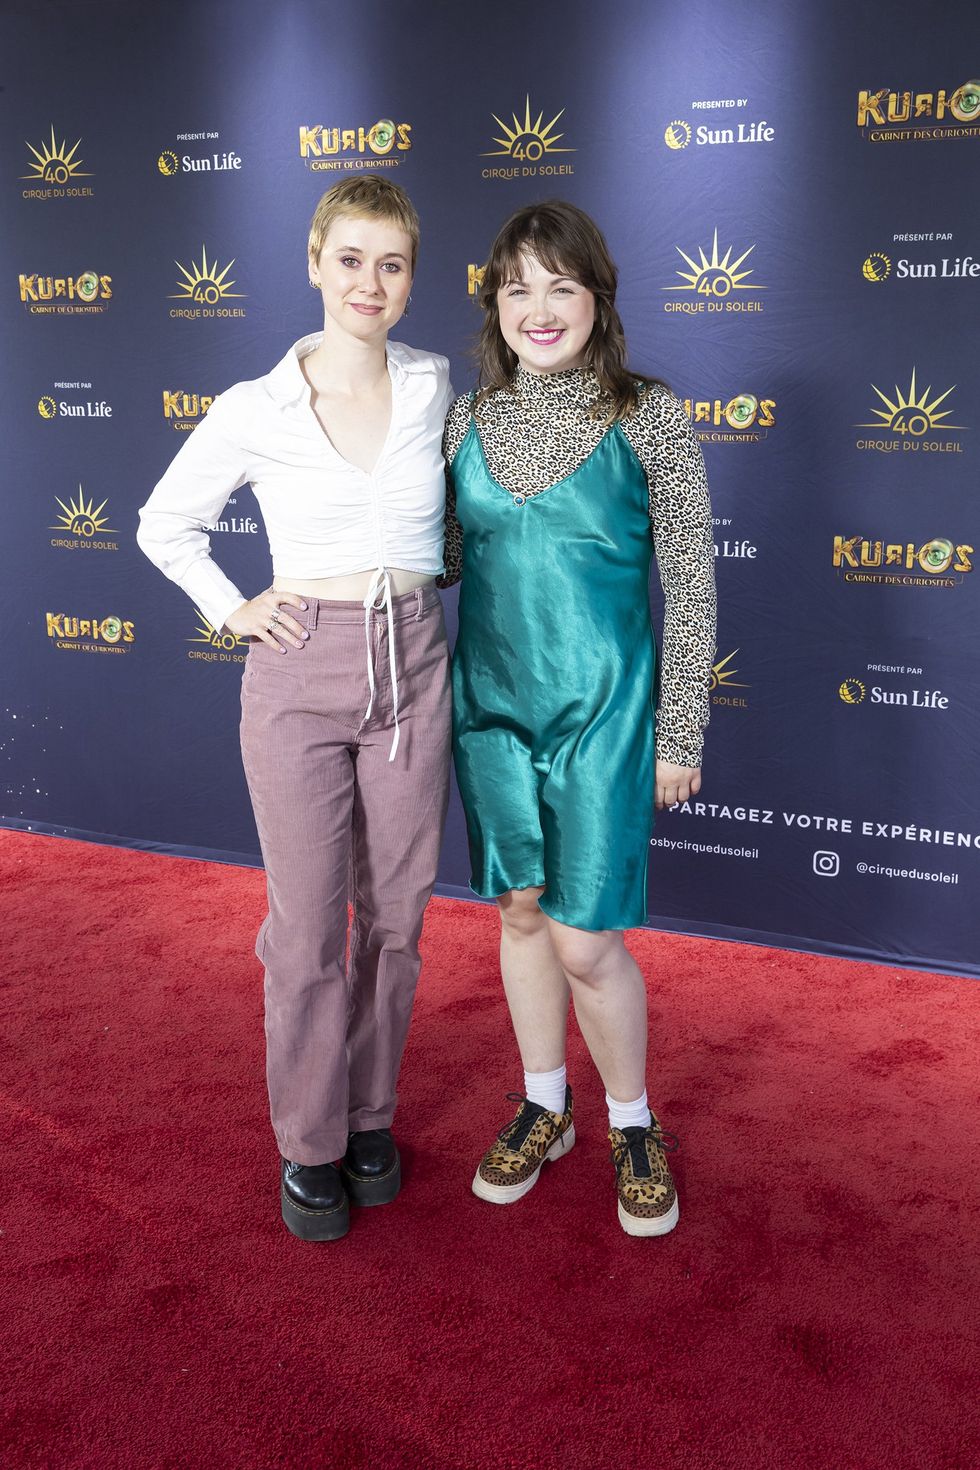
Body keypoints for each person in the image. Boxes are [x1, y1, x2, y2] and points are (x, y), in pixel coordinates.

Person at [138, 175, 453, 1242]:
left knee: (397, 918)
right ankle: (310, 1139)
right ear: (314, 263)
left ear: (411, 279)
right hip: (298, 671)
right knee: (309, 925)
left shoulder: (432, 385)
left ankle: (370, 1116)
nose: (371, 282)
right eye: (351, 259)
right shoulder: (254, 407)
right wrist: (232, 607)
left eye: (392, 264)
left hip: (414, 663)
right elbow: (164, 524)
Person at [441, 200, 716, 1236]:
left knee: (583, 938)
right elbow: (444, 563)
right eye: (517, 288)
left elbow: (690, 583)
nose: (540, 308)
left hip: (604, 713)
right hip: (489, 710)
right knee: (519, 911)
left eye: (561, 285)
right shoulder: (465, 420)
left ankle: (632, 1122)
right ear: (494, 303)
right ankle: (544, 1106)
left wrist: (679, 731)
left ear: (598, 297)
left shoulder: (650, 415)